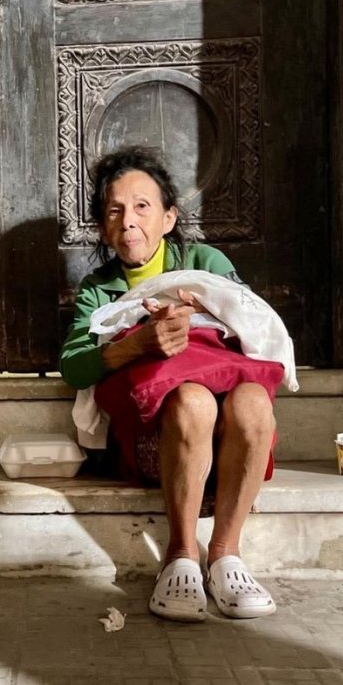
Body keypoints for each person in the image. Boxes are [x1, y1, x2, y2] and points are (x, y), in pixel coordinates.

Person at [60, 146, 282, 622]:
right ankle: (180, 555)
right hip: (159, 440)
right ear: (103, 228)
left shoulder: (204, 263)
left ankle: (225, 555)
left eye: (142, 206)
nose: (128, 221)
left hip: (228, 443)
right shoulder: (99, 288)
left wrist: (203, 314)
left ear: (168, 218)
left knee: (252, 400)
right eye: (114, 211)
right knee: (192, 399)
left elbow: (255, 327)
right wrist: (138, 343)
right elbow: (75, 367)